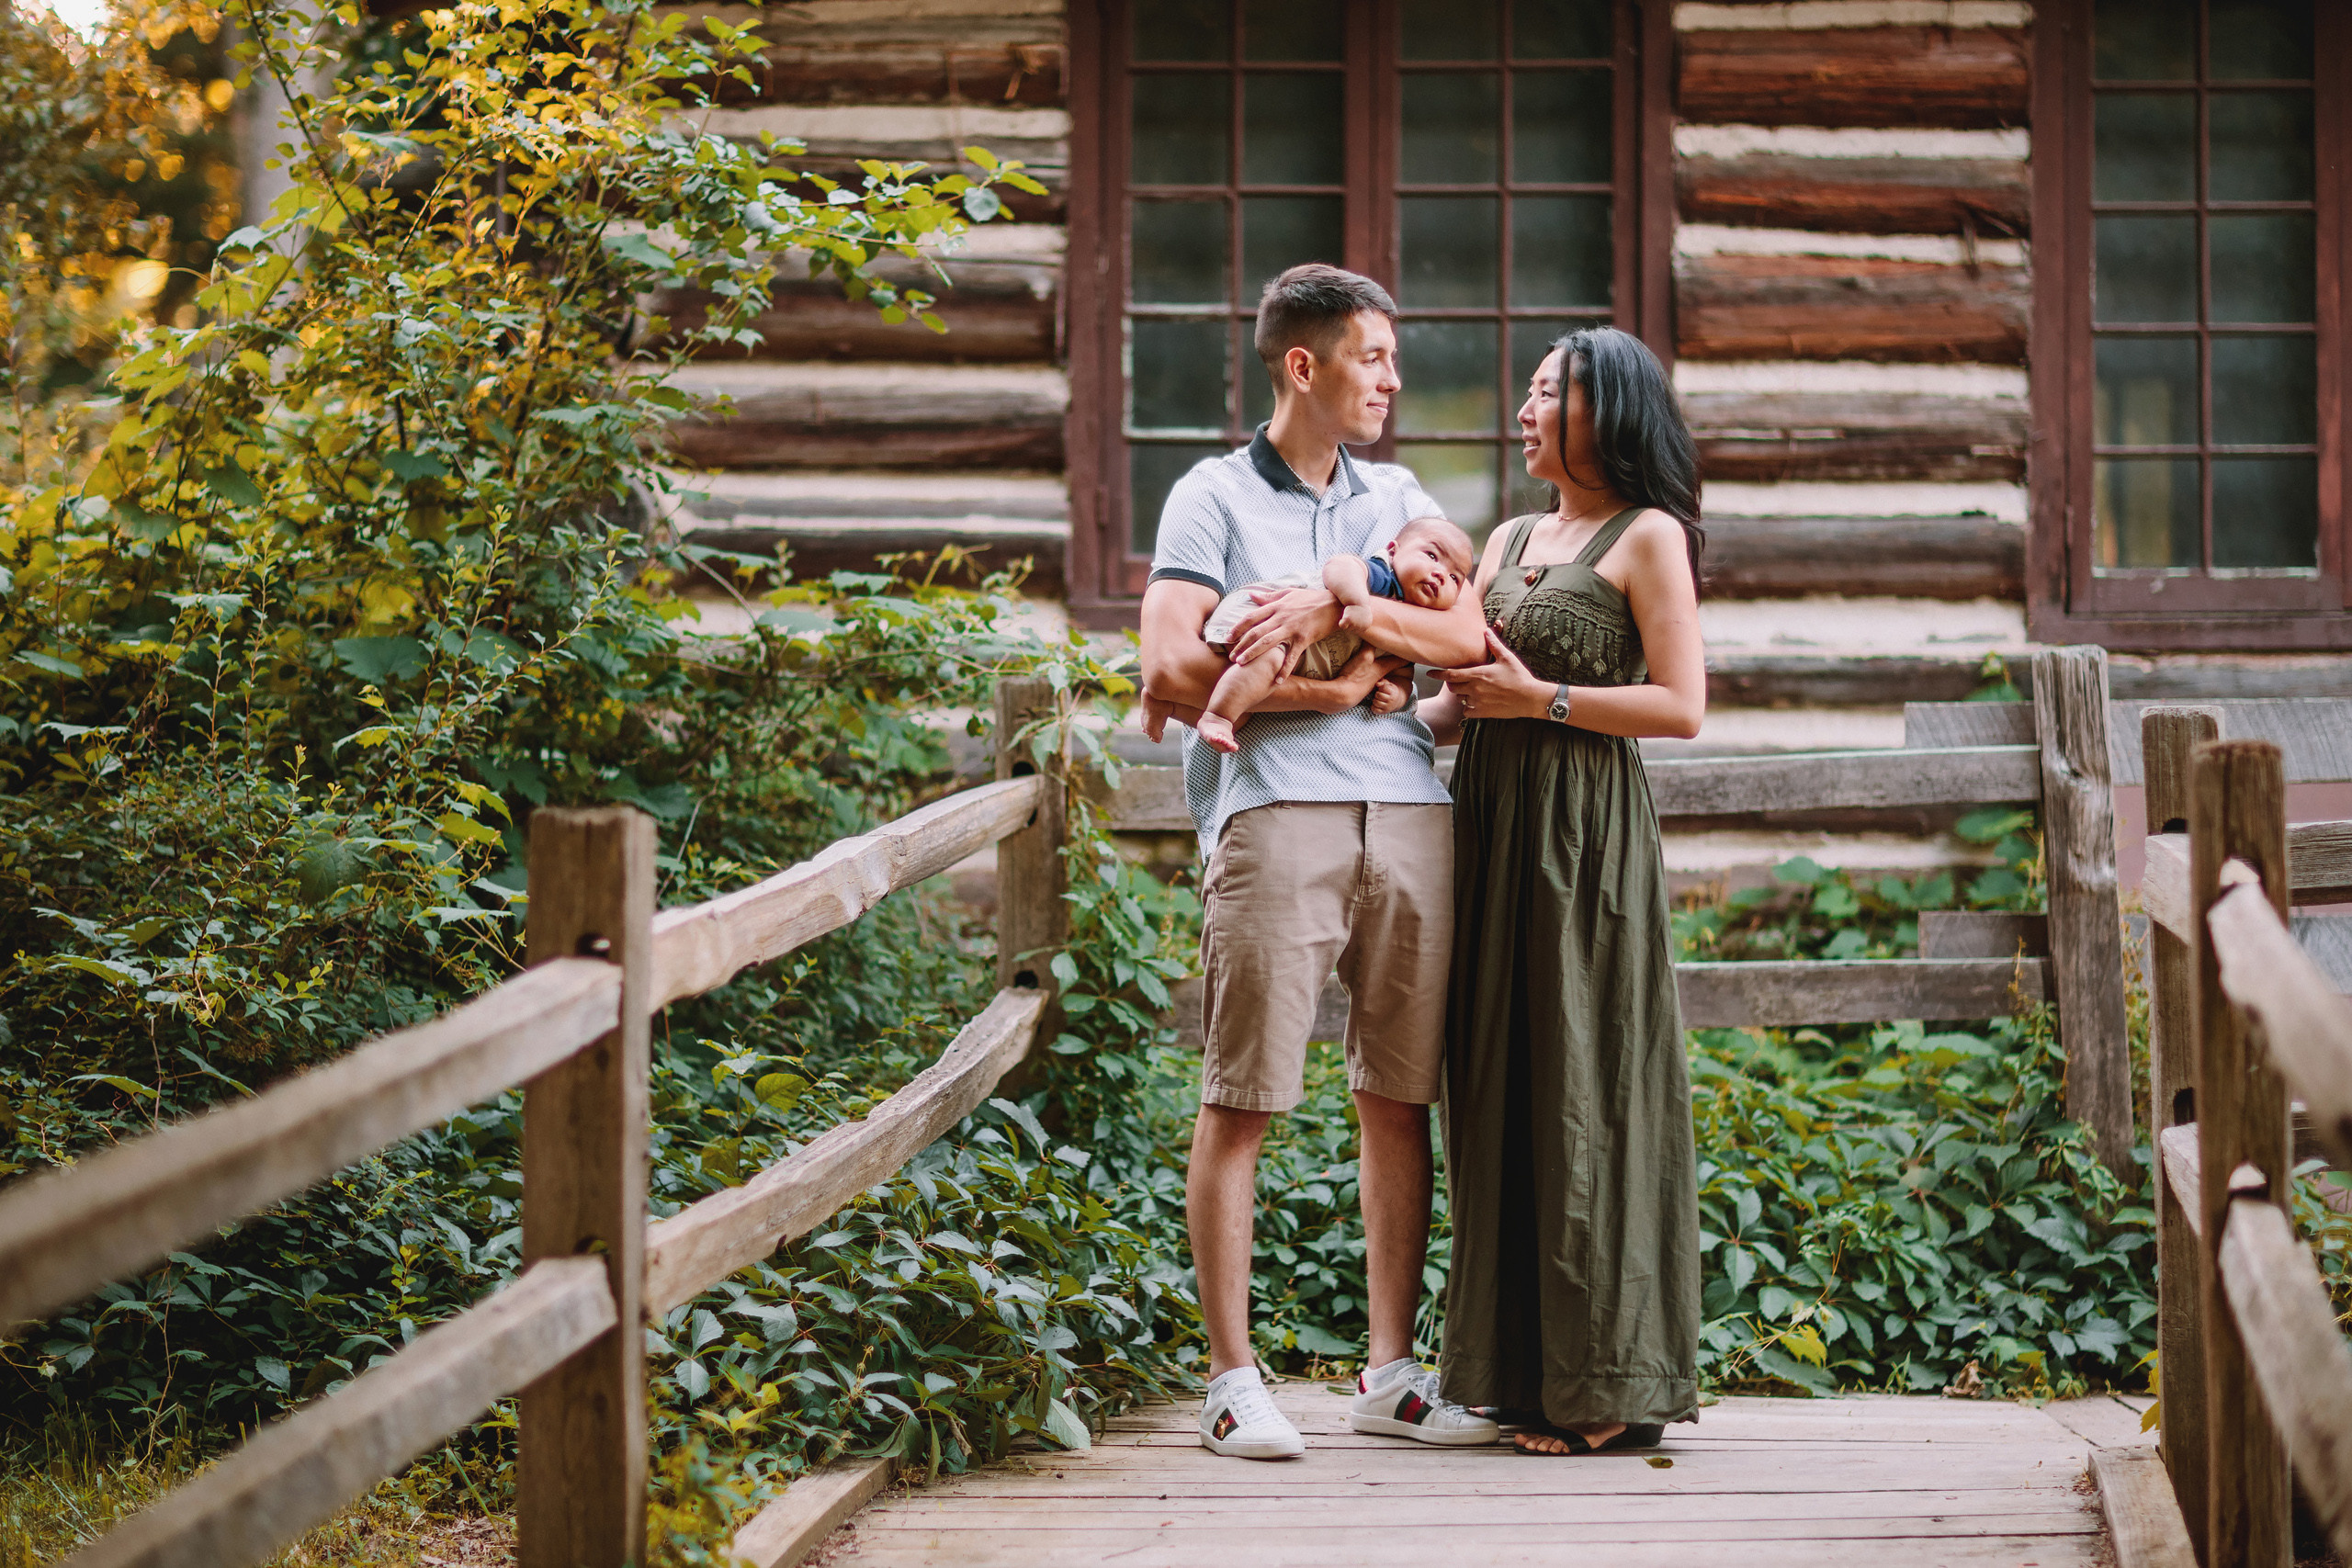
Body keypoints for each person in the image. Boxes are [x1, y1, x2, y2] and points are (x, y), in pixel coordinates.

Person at [1137, 264, 1495, 1461]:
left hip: (1409, 813)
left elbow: (1466, 637)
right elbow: (1175, 671)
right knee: (1243, 1094)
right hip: (1274, 814)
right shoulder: (1209, 495)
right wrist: (1338, 683)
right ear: (1305, 365)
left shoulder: (1397, 496)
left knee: (1400, 1093)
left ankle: (1390, 1371)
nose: (1393, 379)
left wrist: (1356, 602)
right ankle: (1233, 1377)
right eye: (1374, 358)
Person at [1419, 325, 1708, 1456]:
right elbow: (1459, 697)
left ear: (1608, 412)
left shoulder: (1650, 541)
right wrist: (1356, 720)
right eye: (1529, 392)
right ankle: (1514, 1375)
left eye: (1552, 393)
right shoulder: (1505, 536)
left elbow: (1681, 708)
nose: (1528, 409)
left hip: (1586, 843)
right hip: (1489, 833)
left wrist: (1541, 699)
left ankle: (1603, 1386)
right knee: (1499, 1083)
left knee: (1588, 1085)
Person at [1145, 515, 1475, 753]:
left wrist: (1399, 694)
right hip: (1268, 622)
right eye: (1431, 556)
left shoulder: (1416, 630)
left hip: (1298, 656)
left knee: (1245, 711)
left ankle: (1169, 706)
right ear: (1393, 549)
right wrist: (1356, 603)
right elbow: (1341, 566)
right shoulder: (1383, 577)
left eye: (1455, 577)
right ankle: (1215, 717)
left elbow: (1401, 673)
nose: (1440, 574)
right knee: (1265, 667)